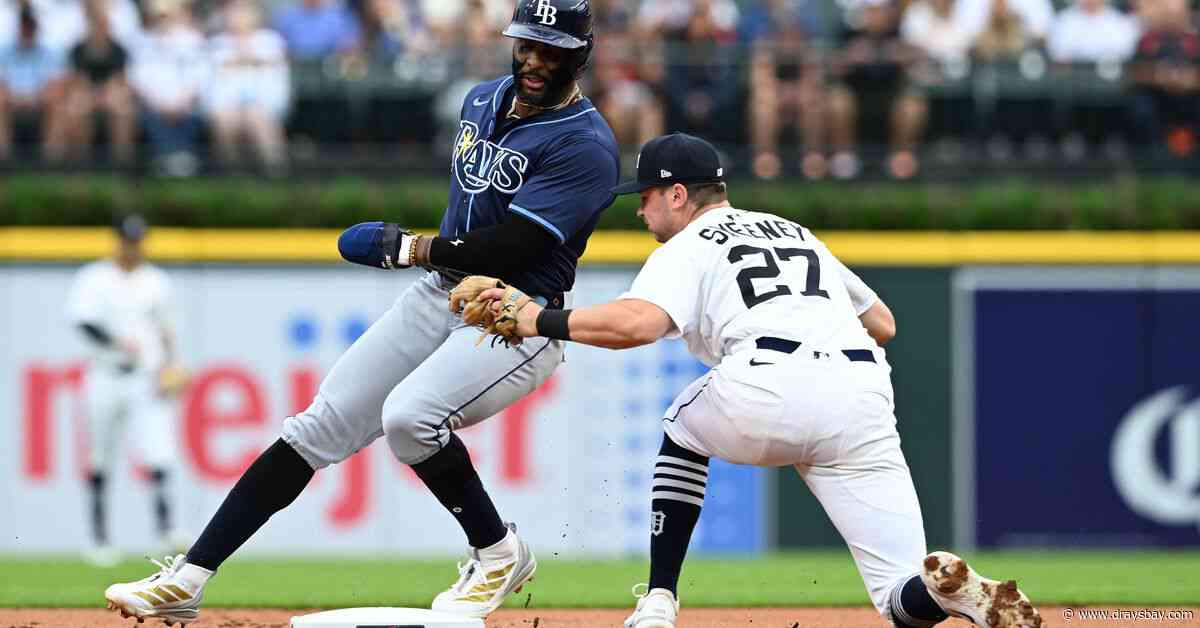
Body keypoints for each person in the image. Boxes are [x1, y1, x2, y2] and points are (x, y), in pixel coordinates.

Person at [103, 1, 619, 625]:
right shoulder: (481, 100)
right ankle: (188, 577)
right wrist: (428, 257)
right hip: (442, 290)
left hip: (517, 315)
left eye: (552, 48)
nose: (534, 59)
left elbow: (518, 243)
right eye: (527, 43)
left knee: (409, 418)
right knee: (316, 427)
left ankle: (498, 552)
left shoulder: (586, 145)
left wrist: (411, 247)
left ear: (581, 54)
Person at [465, 133, 1043, 628]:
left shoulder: (688, 244)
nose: (640, 213)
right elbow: (884, 324)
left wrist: (536, 319)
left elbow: (637, 326)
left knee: (681, 429)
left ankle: (660, 599)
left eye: (644, 198)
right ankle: (948, 590)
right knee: (899, 601)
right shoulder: (793, 231)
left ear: (677, 194)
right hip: (863, 398)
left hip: (769, 385)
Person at [67, 215, 190, 568]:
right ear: (116, 241)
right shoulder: (94, 278)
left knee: (158, 452)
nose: (133, 246)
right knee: (99, 457)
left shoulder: (156, 281)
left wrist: (171, 366)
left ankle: (166, 529)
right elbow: (83, 322)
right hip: (104, 373)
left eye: (138, 240)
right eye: (128, 240)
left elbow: (167, 331)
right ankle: (99, 538)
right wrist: (116, 342)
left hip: (145, 376)